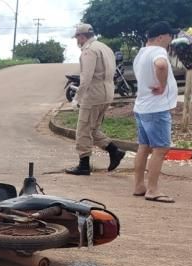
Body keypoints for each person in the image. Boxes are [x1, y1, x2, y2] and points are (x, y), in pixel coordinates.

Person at [65, 23, 126, 175]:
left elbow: (86, 78)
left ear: (82, 36)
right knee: (92, 129)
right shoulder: (105, 48)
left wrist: (77, 98)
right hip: (107, 93)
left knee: (83, 130)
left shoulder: (89, 51)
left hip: (93, 95)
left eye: (77, 38)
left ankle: (84, 165)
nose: (77, 41)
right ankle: (114, 151)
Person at [132, 21, 180, 203]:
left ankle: (139, 185)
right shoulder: (159, 51)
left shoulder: (141, 53)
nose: (171, 39)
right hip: (156, 108)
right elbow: (161, 65)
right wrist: (162, 84)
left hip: (142, 107)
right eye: (170, 35)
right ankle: (152, 189)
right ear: (161, 37)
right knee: (160, 148)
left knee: (143, 147)